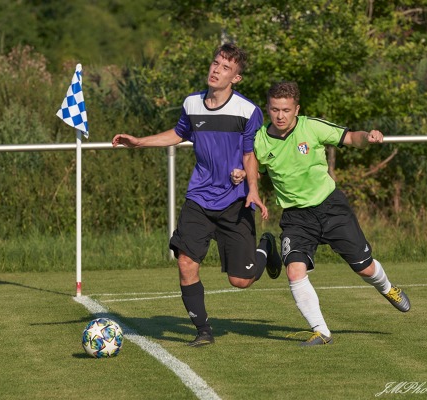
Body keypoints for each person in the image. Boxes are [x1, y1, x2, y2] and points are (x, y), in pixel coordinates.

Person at [112, 43, 282, 347]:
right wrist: (138, 142)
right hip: (199, 199)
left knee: (240, 281)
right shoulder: (192, 104)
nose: (216, 70)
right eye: (215, 63)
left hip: (234, 202)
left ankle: (265, 247)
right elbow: (178, 134)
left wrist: (253, 188)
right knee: (186, 262)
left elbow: (249, 155)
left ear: (236, 78)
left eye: (225, 67)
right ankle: (203, 330)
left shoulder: (248, 111)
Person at [253, 81, 411, 347]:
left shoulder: (311, 126)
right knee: (294, 271)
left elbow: (350, 137)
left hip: (330, 207)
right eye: (275, 109)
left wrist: (368, 137)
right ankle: (321, 331)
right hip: (296, 217)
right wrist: (242, 177)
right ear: (267, 108)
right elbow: (254, 170)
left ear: (297, 109)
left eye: (286, 110)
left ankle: (388, 289)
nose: (280, 115)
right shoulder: (259, 140)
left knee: (365, 268)